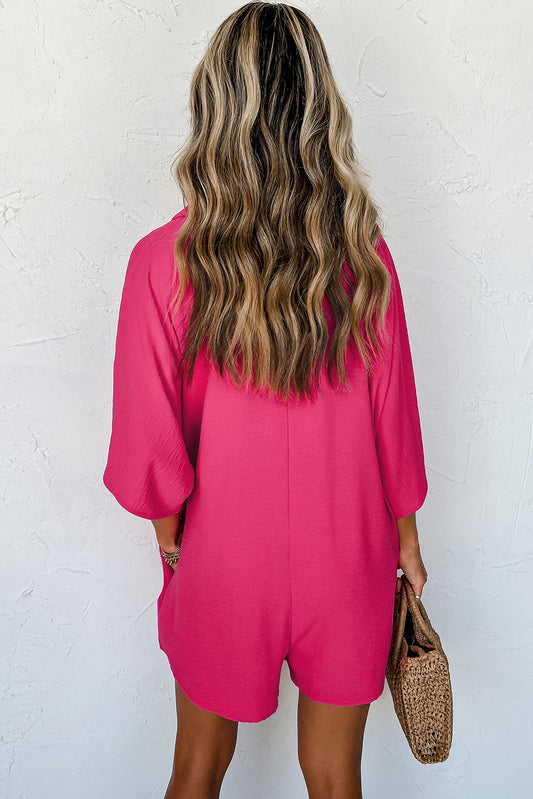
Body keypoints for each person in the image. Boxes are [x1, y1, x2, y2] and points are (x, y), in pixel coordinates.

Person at [102, 3, 429, 797]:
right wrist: (407, 543)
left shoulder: (160, 263)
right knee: (332, 774)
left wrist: (175, 546)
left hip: (223, 558)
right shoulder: (363, 257)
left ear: (215, 104)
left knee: (196, 768)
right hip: (348, 555)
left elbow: (150, 447)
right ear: (318, 109)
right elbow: (394, 423)